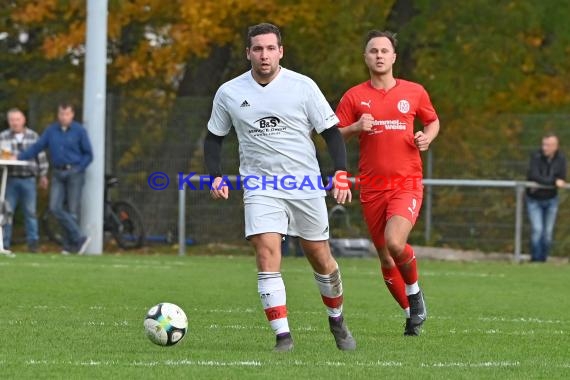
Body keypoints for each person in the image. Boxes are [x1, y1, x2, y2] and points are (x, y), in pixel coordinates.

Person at [204, 23, 356, 352]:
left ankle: (337, 319)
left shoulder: (302, 87)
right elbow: (214, 139)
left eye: (270, 48)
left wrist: (340, 172)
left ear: (280, 51)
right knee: (266, 253)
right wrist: (214, 174)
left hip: (304, 183)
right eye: (257, 49)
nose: (264, 55)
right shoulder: (229, 92)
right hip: (260, 185)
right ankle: (283, 336)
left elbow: (331, 132)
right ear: (248, 53)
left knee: (320, 258)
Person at [335, 30, 440, 336]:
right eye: (373, 51)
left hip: (406, 182)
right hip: (371, 186)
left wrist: (427, 137)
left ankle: (415, 293)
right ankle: (411, 313)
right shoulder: (354, 96)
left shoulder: (414, 92)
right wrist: (355, 126)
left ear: (394, 56)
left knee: (395, 242)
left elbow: (432, 121)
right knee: (384, 254)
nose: (379, 55)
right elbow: (332, 133)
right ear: (365, 57)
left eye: (384, 50)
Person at [16, 102, 93, 254]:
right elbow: (37, 147)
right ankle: (79, 238)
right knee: (55, 207)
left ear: (72, 115)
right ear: (58, 115)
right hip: (58, 172)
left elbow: (88, 154)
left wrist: (79, 168)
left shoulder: (79, 131)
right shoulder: (51, 131)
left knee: (72, 210)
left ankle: (70, 246)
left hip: (74, 173)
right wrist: (19, 157)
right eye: (61, 114)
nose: (64, 117)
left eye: (67, 114)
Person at [0, 108, 49, 252]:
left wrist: (43, 175)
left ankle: (33, 243)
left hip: (28, 178)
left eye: (17, 119)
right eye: (12, 120)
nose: (15, 123)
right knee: (7, 211)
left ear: (23, 120)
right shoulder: (3, 137)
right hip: (10, 178)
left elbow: (41, 157)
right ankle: (5, 242)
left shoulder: (33, 136)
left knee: (30, 212)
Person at [526, 133, 566, 262]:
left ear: (555, 146)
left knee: (547, 233)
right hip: (534, 199)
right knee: (537, 230)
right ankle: (535, 260)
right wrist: (553, 182)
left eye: (548, 145)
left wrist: (550, 182)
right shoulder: (536, 156)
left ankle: (543, 260)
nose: (545, 148)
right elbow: (534, 175)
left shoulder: (561, 159)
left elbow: (562, 177)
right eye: (544, 144)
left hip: (551, 199)